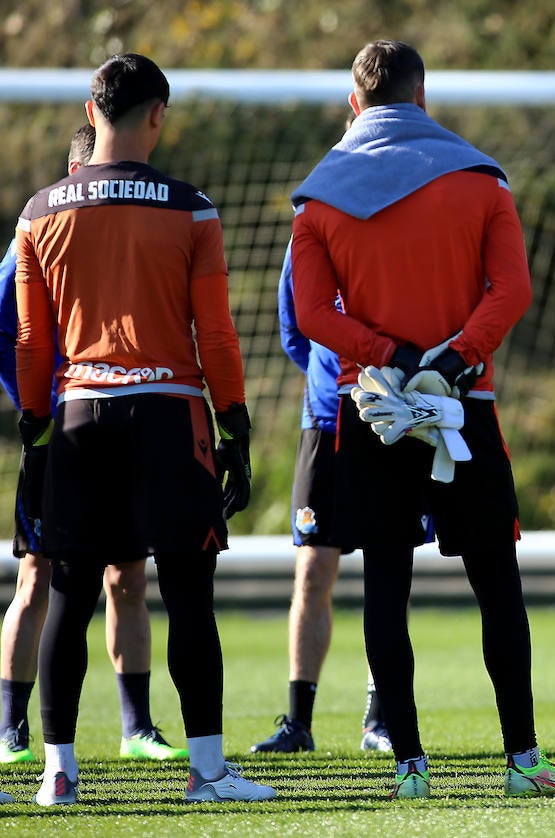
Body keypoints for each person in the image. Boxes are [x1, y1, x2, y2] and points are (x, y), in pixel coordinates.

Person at [290, 39, 555, 799]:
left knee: (385, 583)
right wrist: (453, 360)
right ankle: (522, 761)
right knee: (497, 584)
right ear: (424, 97)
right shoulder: (482, 181)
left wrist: (385, 351)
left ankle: (410, 768)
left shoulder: (319, 198)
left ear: (355, 104)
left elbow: (313, 314)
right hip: (462, 408)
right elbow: (511, 290)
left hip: (375, 415)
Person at [14, 53, 274, 804]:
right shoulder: (192, 208)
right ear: (157, 114)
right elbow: (216, 336)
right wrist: (235, 428)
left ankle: (58, 774)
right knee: (189, 593)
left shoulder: (40, 211)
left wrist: (36, 432)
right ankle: (209, 773)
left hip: (79, 414)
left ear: (90, 112)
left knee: (71, 594)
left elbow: (34, 344)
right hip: (169, 414)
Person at [0, 124, 186, 765]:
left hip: (119, 431)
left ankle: (137, 727)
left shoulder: (129, 238)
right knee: (40, 575)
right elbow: (3, 341)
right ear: (76, 172)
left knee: (127, 576)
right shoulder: (36, 238)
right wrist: (37, 412)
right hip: (58, 435)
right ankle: (15, 730)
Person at [249, 240, 390, 755]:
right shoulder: (307, 232)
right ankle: (298, 724)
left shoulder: (402, 224)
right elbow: (295, 326)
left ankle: (383, 716)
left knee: (386, 565)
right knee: (312, 571)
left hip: (388, 417)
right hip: (325, 418)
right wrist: (326, 376)